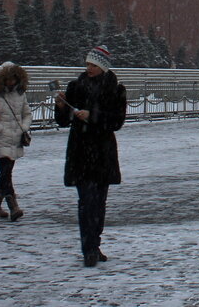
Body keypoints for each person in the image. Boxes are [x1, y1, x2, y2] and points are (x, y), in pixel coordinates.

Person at [55, 45, 128, 267]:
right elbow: (63, 121)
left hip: (102, 152)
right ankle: (88, 249)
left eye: (93, 65)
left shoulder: (115, 89)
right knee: (86, 202)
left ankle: (94, 244)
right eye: (87, 64)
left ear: (103, 66)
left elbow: (117, 121)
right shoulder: (75, 87)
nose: (89, 68)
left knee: (99, 203)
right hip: (80, 152)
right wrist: (60, 106)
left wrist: (93, 116)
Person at [0, 61, 32, 221]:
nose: (11, 82)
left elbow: (27, 113)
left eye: (14, 79)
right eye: (9, 79)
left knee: (6, 173)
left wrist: (23, 127)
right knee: (6, 172)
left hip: (15, 138)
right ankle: (13, 206)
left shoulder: (20, 94)